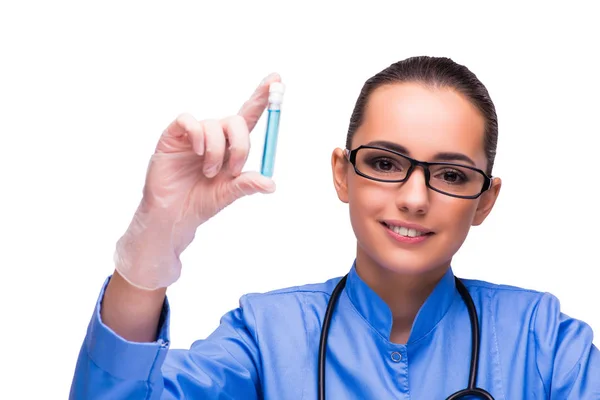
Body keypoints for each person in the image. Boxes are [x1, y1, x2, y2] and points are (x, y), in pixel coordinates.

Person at [69, 56, 600, 399]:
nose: (414, 198)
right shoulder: (263, 338)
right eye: (387, 163)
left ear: (485, 201)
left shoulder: (544, 344)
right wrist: (150, 248)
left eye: (452, 174)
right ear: (342, 174)